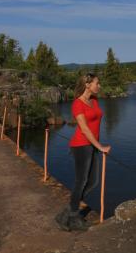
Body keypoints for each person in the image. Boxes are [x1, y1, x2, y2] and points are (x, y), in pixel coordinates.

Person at [55, 73, 111, 231]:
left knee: (93, 182)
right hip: (81, 145)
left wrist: (96, 146)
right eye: (97, 83)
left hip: (91, 145)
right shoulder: (77, 104)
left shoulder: (94, 100)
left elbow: (95, 122)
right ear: (87, 84)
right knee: (81, 181)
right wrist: (100, 146)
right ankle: (73, 217)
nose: (99, 86)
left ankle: (66, 214)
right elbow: (85, 129)